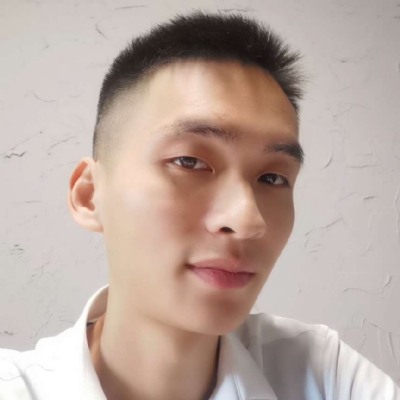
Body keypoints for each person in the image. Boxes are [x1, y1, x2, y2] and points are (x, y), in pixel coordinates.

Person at [1, 9, 399, 400]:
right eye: (189, 162)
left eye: (272, 178)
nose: (248, 219)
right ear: (89, 195)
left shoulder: (324, 376)